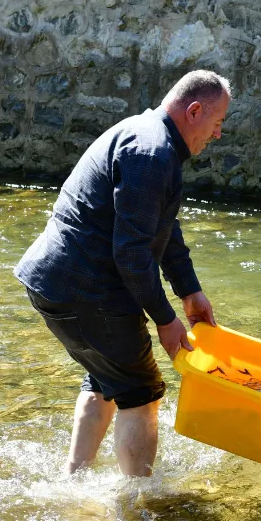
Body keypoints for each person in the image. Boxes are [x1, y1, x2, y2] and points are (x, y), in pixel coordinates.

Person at [15, 70, 231, 477]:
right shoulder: (153, 153)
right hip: (85, 289)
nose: (217, 135)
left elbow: (163, 229)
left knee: (107, 377)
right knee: (141, 390)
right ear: (195, 110)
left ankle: (74, 477)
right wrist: (166, 320)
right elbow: (131, 254)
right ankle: (138, 506)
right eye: (217, 123)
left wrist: (189, 290)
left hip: (56, 283)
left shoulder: (150, 137)